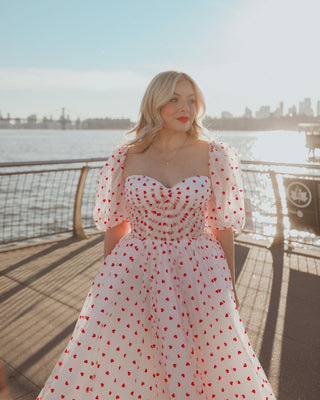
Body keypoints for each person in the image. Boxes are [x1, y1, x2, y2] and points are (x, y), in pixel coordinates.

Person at [36, 71, 276, 399]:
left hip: (198, 271)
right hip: (134, 271)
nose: (185, 108)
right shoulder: (126, 156)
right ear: (154, 103)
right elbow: (117, 226)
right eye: (174, 99)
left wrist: (229, 288)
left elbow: (223, 227)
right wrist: (109, 287)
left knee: (202, 358)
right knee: (130, 356)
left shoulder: (214, 154)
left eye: (192, 100)